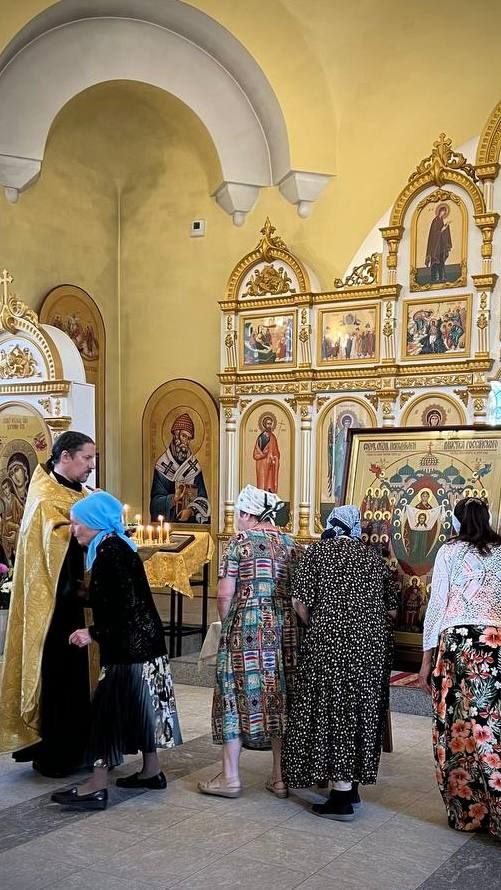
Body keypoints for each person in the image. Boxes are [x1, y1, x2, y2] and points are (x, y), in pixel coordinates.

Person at [52, 490, 181, 811]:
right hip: (145, 644)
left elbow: (124, 609)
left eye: (77, 523)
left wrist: (92, 632)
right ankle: (152, 771)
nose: (73, 530)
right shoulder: (118, 546)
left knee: (104, 715)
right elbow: (118, 597)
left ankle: (96, 787)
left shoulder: (109, 553)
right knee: (143, 708)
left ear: (95, 522)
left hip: (129, 650)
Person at [282, 505, 397, 821]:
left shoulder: (318, 552)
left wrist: (318, 622)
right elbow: (392, 610)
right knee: (360, 711)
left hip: (330, 643)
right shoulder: (373, 557)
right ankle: (352, 786)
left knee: (332, 711)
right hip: (371, 647)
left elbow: (299, 601)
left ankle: (341, 797)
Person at [198, 484, 303, 800]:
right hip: (286, 629)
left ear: (247, 514)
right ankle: (280, 777)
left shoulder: (240, 542)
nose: (237, 521)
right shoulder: (292, 544)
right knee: (281, 694)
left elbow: (225, 593)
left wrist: (226, 623)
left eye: (238, 515)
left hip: (247, 626)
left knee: (233, 693)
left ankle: (230, 777)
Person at [0, 431, 95, 776]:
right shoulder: (44, 497)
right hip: (55, 607)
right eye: (87, 458)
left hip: (81, 602)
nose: (91, 465)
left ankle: (84, 749)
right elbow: (53, 544)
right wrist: (86, 529)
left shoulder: (81, 493)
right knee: (60, 677)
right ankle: (58, 755)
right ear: (65, 456)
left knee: (83, 678)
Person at [418, 497, 501, 839]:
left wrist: (425, 661)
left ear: (457, 521)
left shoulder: (449, 551)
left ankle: (469, 811)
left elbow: (437, 605)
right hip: (494, 643)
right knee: (492, 727)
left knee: (456, 728)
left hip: (456, 645)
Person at [150, 412, 210, 524]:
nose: (185, 442)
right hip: (167, 526)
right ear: (175, 435)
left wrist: (191, 511)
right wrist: (173, 499)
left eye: (189, 438)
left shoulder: (194, 467)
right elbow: (154, 504)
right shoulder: (162, 465)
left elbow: (203, 499)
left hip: (192, 526)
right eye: (183, 436)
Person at [253, 413, 281, 493]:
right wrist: (263, 454)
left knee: (269, 487)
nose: (269, 426)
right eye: (268, 424)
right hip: (262, 465)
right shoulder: (262, 437)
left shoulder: (273, 437)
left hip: (271, 466)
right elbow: (255, 454)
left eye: (270, 424)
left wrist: (275, 457)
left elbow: (276, 452)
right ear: (264, 425)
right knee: (262, 486)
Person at [425, 204, 452, 283]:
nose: (444, 213)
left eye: (445, 212)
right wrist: (443, 229)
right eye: (443, 211)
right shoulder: (436, 220)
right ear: (440, 211)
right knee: (435, 261)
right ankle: (435, 278)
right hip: (435, 246)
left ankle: (441, 277)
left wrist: (446, 227)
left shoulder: (441, 220)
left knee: (441, 261)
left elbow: (442, 232)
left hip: (440, 246)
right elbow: (434, 234)